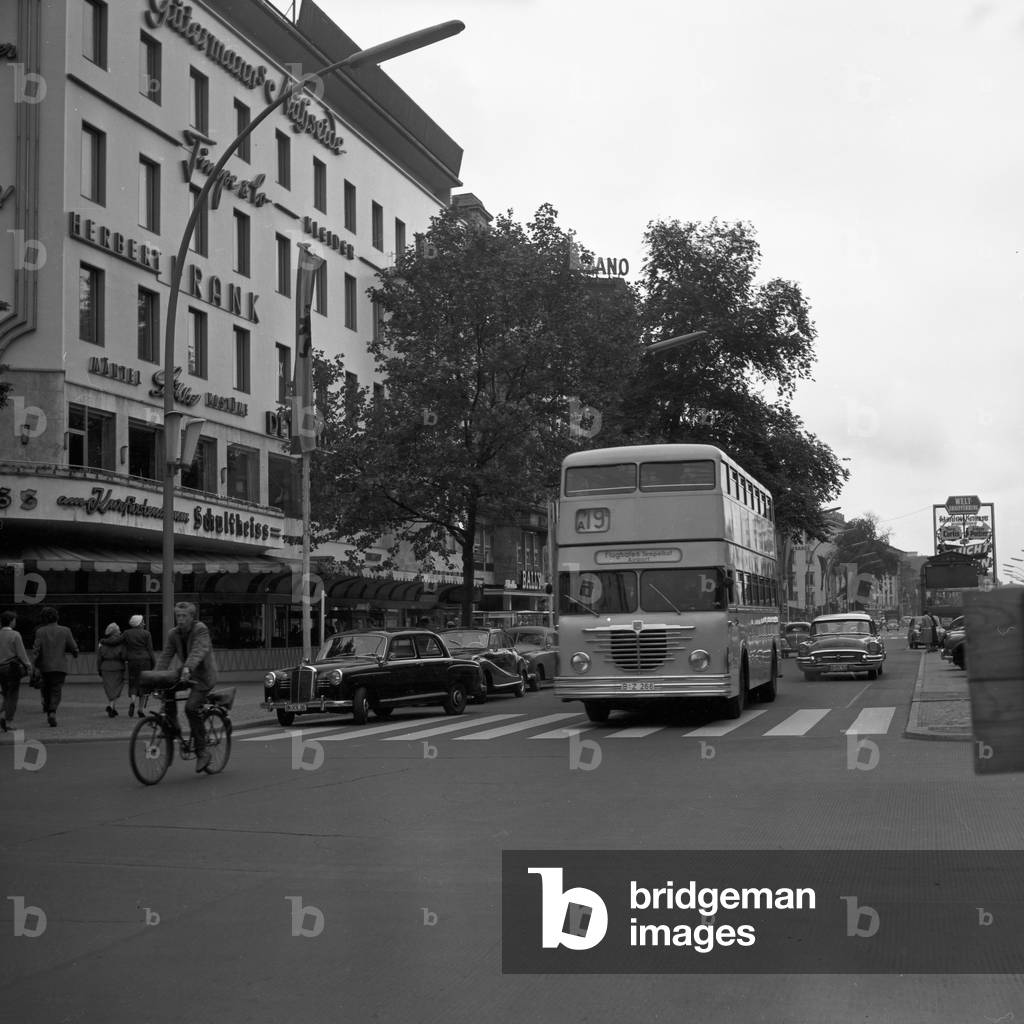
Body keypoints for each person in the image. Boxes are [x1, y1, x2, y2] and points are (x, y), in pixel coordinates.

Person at [154, 602, 218, 772]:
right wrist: (156, 676)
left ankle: (202, 751)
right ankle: (173, 725)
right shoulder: (173, 634)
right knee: (167, 689)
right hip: (187, 673)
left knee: (191, 708)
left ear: (192, 617)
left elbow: (199, 650)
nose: (180, 620)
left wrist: (188, 667)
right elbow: (166, 655)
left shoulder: (200, 629)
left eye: (184, 616)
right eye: (178, 616)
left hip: (204, 677)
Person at [32, 606, 79, 728]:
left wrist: (33, 665)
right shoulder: (65, 630)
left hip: (44, 666)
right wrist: (75, 653)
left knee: (46, 689)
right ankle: (52, 711)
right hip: (59, 666)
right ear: (57, 617)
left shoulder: (40, 631)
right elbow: (74, 647)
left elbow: (36, 650)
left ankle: (48, 709)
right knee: (56, 689)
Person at [0, 610, 31, 733]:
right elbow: (21, 653)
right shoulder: (15, 635)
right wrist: (28, 666)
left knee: (5, 693)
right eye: (14, 620)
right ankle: (8, 721)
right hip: (11, 668)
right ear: (11, 621)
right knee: (12, 695)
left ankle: (4, 714)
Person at [122, 613, 155, 717]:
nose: (144, 623)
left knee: (133, 682)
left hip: (132, 661)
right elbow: (150, 650)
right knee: (143, 685)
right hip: (145, 661)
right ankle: (140, 710)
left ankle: (132, 702)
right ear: (139, 623)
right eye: (142, 622)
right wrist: (153, 663)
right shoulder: (146, 634)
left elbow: (118, 642)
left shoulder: (126, 633)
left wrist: (104, 642)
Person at [96, 622, 127, 717]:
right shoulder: (121, 643)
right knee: (117, 687)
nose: (120, 632)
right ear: (115, 632)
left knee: (109, 688)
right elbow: (124, 656)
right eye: (118, 630)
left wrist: (99, 669)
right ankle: (111, 707)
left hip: (105, 667)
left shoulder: (102, 643)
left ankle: (112, 707)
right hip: (118, 667)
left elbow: (99, 658)